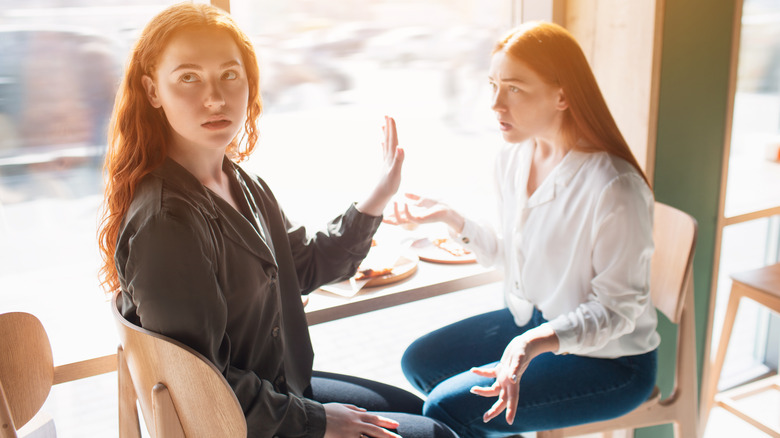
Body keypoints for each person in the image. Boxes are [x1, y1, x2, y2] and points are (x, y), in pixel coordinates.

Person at [97, 4, 456, 438]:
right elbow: (202, 392)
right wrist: (319, 422)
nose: (215, 97)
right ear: (153, 91)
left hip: (281, 392)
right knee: (438, 433)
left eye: (230, 74)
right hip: (243, 423)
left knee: (424, 412)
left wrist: (376, 198)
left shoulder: (239, 181)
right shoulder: (167, 223)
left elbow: (301, 266)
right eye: (188, 77)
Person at [386, 21, 659, 437]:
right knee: (419, 363)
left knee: (446, 408)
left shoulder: (615, 188)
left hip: (611, 360)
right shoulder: (514, 159)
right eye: (492, 84)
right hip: (534, 324)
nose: (495, 103)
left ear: (562, 95)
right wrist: (450, 218)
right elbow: (511, 257)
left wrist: (533, 343)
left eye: (514, 88)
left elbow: (618, 311)